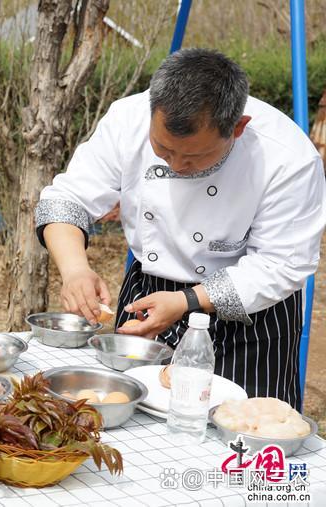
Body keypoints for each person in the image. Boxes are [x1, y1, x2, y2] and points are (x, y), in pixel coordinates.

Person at [36, 48, 325, 407]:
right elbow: (66, 200)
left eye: (193, 157)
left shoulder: (288, 157)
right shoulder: (127, 119)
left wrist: (188, 301)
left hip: (251, 318)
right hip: (149, 298)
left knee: (241, 438)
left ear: (238, 128)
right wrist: (75, 270)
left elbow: (282, 264)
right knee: (133, 424)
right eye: (162, 149)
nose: (175, 165)